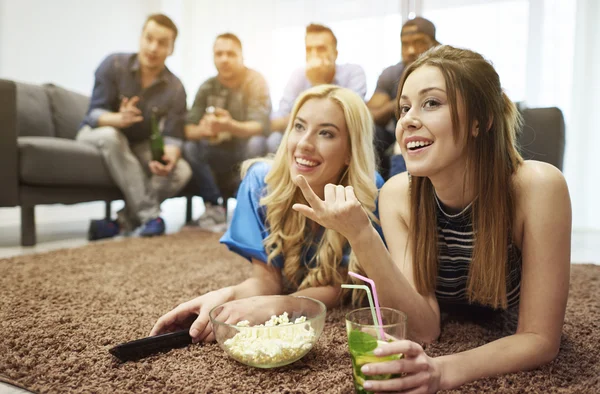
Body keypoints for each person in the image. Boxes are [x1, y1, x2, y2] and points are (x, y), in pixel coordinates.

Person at [292, 45, 571, 392]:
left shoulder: (538, 187)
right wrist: (361, 233)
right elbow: (424, 329)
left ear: (478, 121)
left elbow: (541, 339)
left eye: (432, 103)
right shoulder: (398, 194)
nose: (407, 119)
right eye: (405, 107)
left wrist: (442, 370)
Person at [150, 85, 384, 342]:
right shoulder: (261, 182)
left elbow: (341, 286)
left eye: (326, 133)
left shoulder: (368, 192)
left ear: (351, 152)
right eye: (299, 126)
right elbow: (266, 281)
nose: (304, 143)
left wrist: (279, 305)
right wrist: (224, 297)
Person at [77, 14, 191, 240]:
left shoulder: (176, 87)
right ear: (140, 37)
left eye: (162, 43)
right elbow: (93, 114)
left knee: (181, 170)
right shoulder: (113, 64)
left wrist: (169, 156)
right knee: (111, 136)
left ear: (171, 49)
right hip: (98, 134)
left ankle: (122, 222)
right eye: (149, 38)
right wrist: (117, 119)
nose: (153, 47)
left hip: (138, 145)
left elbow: (174, 136)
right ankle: (150, 216)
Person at [182, 33, 272, 230]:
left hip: (245, 150)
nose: (224, 59)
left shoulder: (255, 81)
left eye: (230, 54)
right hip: (216, 151)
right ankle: (214, 207)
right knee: (189, 146)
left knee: (256, 142)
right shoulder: (207, 86)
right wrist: (204, 129)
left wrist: (229, 126)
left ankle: (245, 207)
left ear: (242, 56)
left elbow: (260, 126)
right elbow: (188, 129)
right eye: (219, 54)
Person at [267, 23, 367, 153]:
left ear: (335, 54)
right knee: (274, 139)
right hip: (302, 134)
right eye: (309, 49)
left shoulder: (354, 72)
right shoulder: (298, 75)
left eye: (321, 49)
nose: (314, 55)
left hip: (337, 136)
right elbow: (276, 122)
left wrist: (318, 82)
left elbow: (350, 119)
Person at [367, 16, 438, 178]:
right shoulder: (391, 74)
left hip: (435, 130)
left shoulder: (448, 71)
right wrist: (404, 100)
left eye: (419, 42)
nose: (411, 50)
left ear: (434, 43)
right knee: (371, 131)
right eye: (405, 44)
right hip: (401, 133)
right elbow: (370, 116)